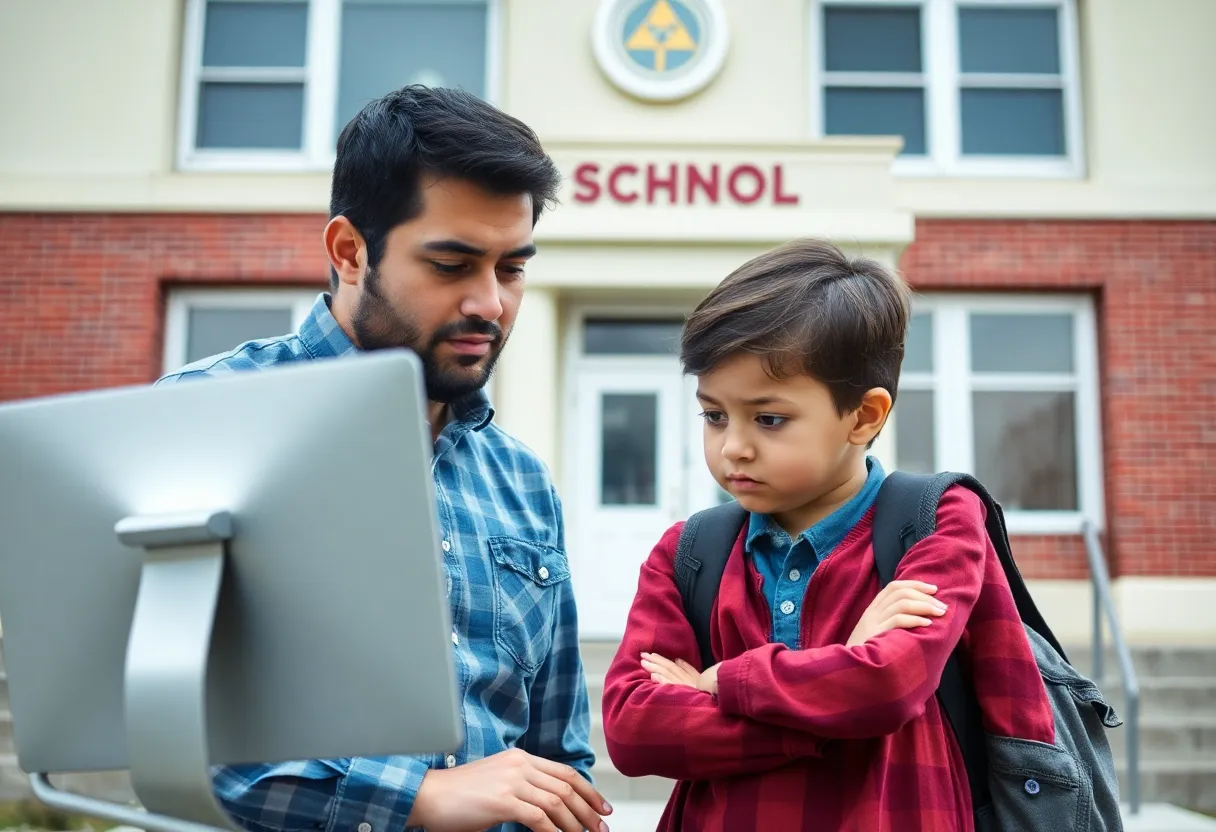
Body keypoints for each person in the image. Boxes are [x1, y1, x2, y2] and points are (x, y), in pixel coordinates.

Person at [158, 86, 610, 832]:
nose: (490, 303)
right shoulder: (200, 420)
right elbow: (164, 728)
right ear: (350, 250)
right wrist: (418, 799)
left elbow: (557, 759)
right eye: (452, 264)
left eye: (512, 268)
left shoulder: (522, 481)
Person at [600, 239, 1054, 830]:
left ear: (864, 415)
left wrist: (721, 682)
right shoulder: (689, 553)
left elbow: (890, 684)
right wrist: (836, 685)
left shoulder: (935, 520)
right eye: (714, 415)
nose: (733, 445)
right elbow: (633, 730)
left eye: (769, 418)